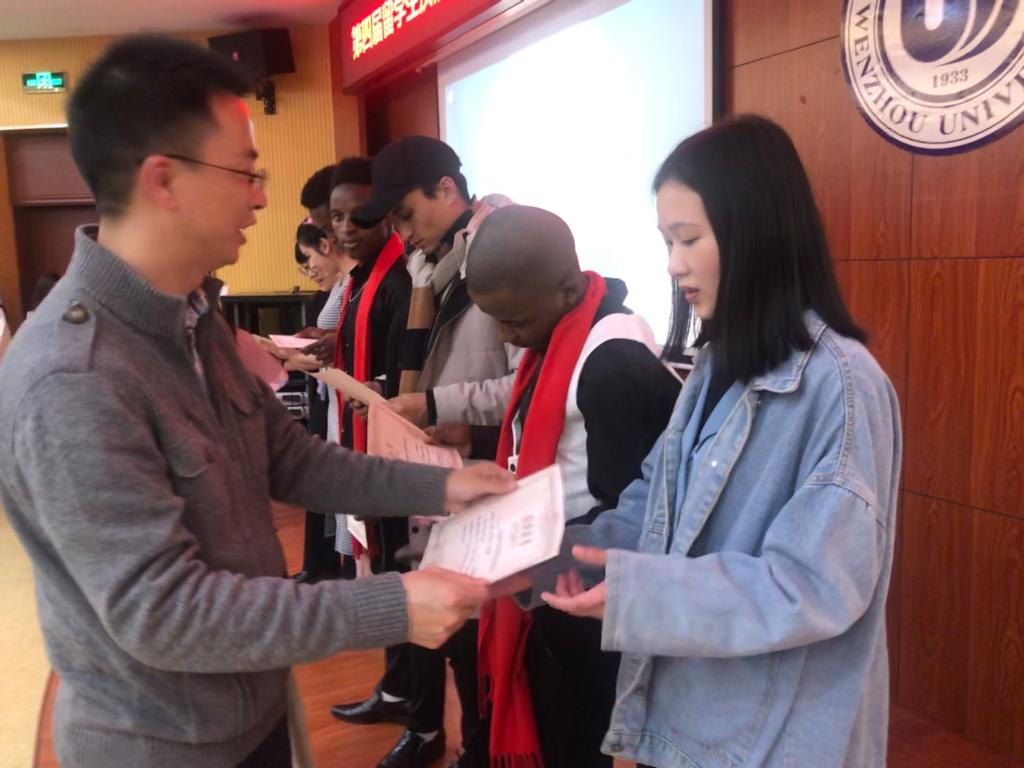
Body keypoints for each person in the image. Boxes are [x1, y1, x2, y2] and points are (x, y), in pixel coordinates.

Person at [0, 35, 515, 768]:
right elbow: (165, 613)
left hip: (252, 708)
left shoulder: (191, 318)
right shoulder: (72, 376)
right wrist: (393, 606)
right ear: (163, 180)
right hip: (165, 747)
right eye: (245, 171)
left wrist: (444, 485)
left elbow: (289, 458)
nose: (262, 196)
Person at [536, 115, 902, 768]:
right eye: (666, 241)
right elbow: (654, 499)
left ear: (754, 232)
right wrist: (554, 553)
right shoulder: (714, 366)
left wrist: (638, 593)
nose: (673, 264)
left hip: (776, 740)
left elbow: (812, 586)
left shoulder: (843, 386)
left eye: (689, 239)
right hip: (692, 723)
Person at [462, 205, 680, 767]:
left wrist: (519, 549)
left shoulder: (613, 363)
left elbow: (634, 510)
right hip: (549, 564)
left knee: (574, 733)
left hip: (581, 590)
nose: (506, 336)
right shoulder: (565, 328)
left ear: (565, 289)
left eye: (513, 321)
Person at [333, 136, 519, 768]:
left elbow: (524, 384)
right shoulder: (429, 271)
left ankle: (480, 748)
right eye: (394, 222)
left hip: (483, 479)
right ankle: (444, 735)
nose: (403, 233)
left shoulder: (500, 259)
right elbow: (435, 369)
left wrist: (435, 407)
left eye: (407, 215)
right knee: (448, 632)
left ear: (447, 188)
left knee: (479, 641)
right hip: (437, 476)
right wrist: (395, 400)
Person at [289, 220, 354, 584]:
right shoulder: (341, 284)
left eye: (308, 259)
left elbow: (341, 341)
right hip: (329, 394)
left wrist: (294, 354)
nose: (310, 270)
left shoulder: (352, 281)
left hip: (341, 394)